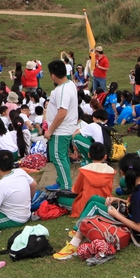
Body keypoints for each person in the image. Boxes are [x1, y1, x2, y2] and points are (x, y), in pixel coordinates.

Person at [53, 153, 140, 260]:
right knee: (94, 198)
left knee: (95, 207)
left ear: (123, 173)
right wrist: (118, 199)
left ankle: (74, 244)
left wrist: (116, 215)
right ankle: (78, 230)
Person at [43, 60, 79, 191]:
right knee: (61, 156)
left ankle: (66, 186)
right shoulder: (70, 84)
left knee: (57, 156)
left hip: (60, 129)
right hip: (67, 127)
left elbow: (62, 113)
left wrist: (50, 131)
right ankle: (61, 180)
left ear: (53, 75)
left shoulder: (62, 91)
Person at [67, 141, 116, 220]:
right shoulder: (111, 171)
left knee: (61, 199)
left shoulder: (84, 170)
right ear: (105, 156)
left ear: (89, 155)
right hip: (104, 203)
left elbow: (76, 190)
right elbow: (109, 189)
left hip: (85, 206)